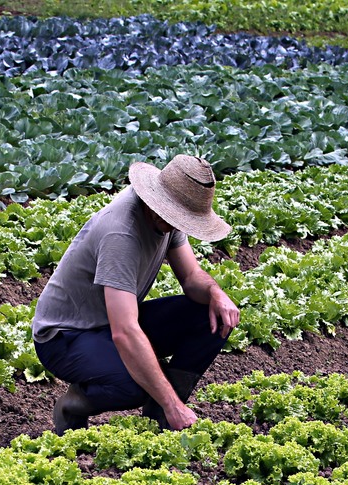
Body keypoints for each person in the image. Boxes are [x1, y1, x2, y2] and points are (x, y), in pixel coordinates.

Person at [32, 154, 241, 434]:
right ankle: (74, 404)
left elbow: (191, 277)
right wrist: (171, 401)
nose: (177, 223)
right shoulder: (121, 234)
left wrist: (216, 293)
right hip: (66, 336)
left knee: (209, 315)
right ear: (158, 202)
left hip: (110, 321)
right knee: (133, 385)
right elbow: (125, 331)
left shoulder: (166, 218)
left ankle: (160, 420)